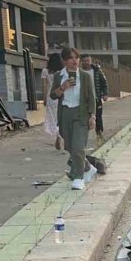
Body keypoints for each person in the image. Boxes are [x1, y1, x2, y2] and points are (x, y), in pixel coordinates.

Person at [50, 47, 96, 191]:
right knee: (70, 147)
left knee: (78, 146)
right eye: (70, 58)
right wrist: (62, 87)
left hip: (81, 114)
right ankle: (88, 167)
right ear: (64, 61)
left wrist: (92, 116)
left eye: (76, 57)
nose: (74, 60)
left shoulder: (85, 76)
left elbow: (91, 98)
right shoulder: (59, 76)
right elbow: (53, 95)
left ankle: (78, 178)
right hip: (65, 114)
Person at [79, 54, 108, 143]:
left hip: (96, 98)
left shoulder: (97, 71)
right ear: (81, 62)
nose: (87, 63)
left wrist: (105, 94)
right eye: (85, 61)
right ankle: (82, 136)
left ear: (91, 61)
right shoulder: (79, 72)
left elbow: (104, 82)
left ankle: (99, 134)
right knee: (83, 118)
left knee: (98, 117)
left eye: (88, 60)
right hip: (83, 100)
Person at [40, 53, 64, 150]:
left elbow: (44, 86)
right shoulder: (62, 71)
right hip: (60, 95)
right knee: (60, 116)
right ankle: (60, 135)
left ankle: (56, 134)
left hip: (51, 96)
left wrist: (44, 98)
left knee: (53, 117)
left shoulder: (45, 71)